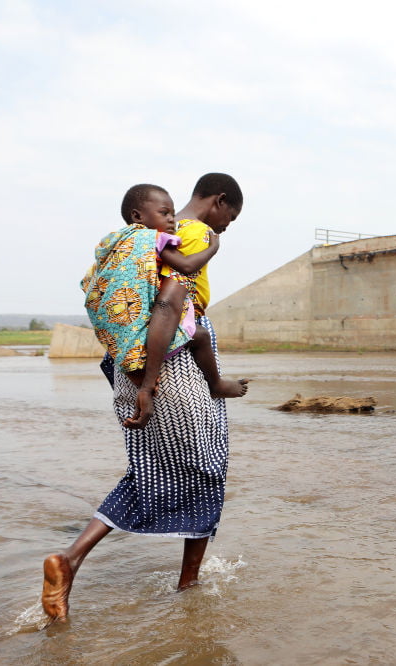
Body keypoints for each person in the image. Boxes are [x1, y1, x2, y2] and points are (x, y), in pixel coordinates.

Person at [41, 175, 245, 621]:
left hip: (130, 364)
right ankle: (187, 585)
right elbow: (169, 304)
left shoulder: (135, 239)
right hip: (172, 368)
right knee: (208, 469)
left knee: (148, 470)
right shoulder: (191, 235)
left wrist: (138, 383)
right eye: (230, 218)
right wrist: (150, 386)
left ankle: (71, 561)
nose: (226, 227)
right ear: (219, 201)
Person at [82, 183, 247, 400]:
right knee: (201, 335)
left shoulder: (118, 240)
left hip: (123, 320)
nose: (171, 220)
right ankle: (215, 384)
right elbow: (185, 268)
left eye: (171, 213)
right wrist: (212, 248)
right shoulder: (164, 237)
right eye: (165, 213)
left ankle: (138, 378)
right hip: (161, 323)